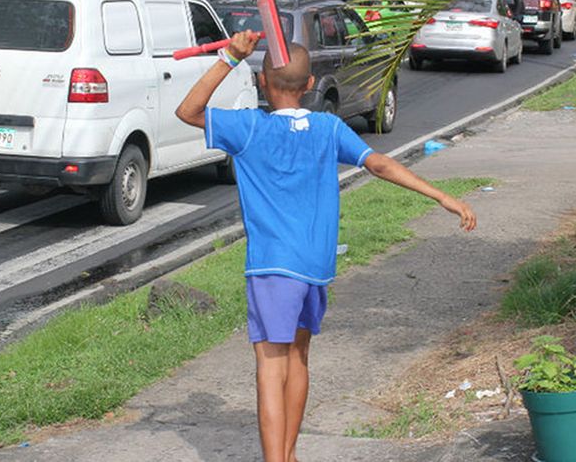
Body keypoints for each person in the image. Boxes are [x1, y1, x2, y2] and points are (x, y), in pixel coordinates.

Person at [175, 31, 476, 462]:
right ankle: (289, 454)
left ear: (262, 82)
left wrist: (229, 56)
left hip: (273, 268)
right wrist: (442, 196)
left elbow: (188, 110)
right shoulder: (329, 127)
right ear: (311, 84)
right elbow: (379, 164)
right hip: (315, 267)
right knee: (298, 358)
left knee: (271, 366)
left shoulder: (249, 128)